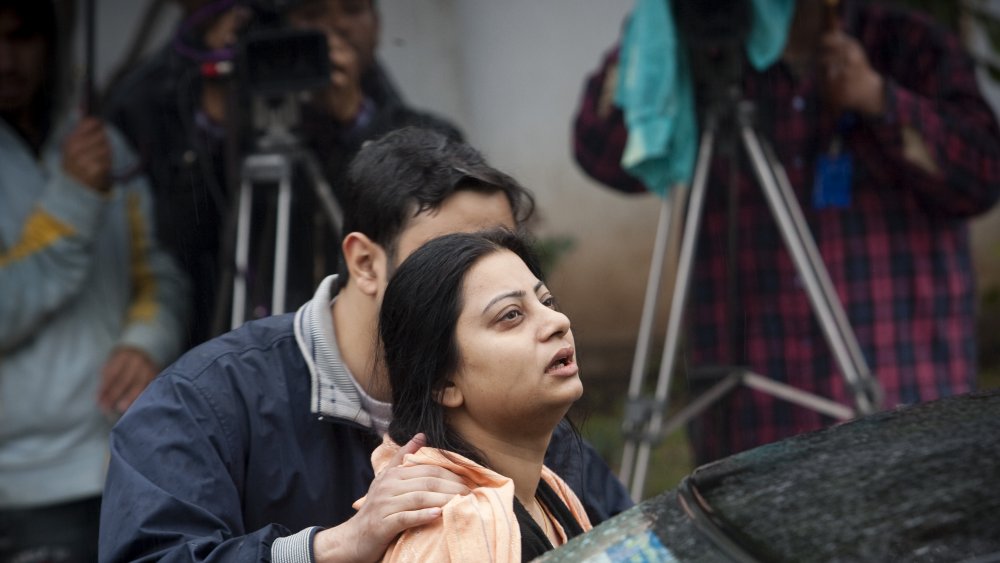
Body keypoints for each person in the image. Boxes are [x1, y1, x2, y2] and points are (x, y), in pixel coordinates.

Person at [99, 127, 632, 563]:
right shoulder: (204, 401)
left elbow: (625, 538)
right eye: (448, 254)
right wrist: (334, 545)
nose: (487, 274)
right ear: (364, 262)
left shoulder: (512, 392)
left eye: (500, 250)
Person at [573, 0, 1000, 463]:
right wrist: (655, 32)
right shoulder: (706, 50)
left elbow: (980, 177)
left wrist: (879, 98)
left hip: (901, 385)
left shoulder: (906, 42)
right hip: (754, 408)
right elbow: (602, 153)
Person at [103, 0, 461, 346]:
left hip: (372, 348)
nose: (335, 26)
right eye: (312, 13)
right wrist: (212, 120)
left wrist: (357, 125)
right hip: (243, 340)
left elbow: (424, 238)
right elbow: (181, 245)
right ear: (276, 31)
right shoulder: (233, 141)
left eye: (352, 9)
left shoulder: (427, 136)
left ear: (377, 23)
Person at [0, 0, 189, 560]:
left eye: (23, 37)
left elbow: (159, 273)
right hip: (21, 482)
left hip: (120, 459)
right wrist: (75, 199)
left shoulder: (98, 142)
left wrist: (145, 341)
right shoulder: (86, 164)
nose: (7, 60)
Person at [361, 229, 592, 562]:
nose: (558, 321)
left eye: (547, 302)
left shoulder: (547, 492)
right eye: (511, 315)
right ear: (443, 382)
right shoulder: (448, 532)